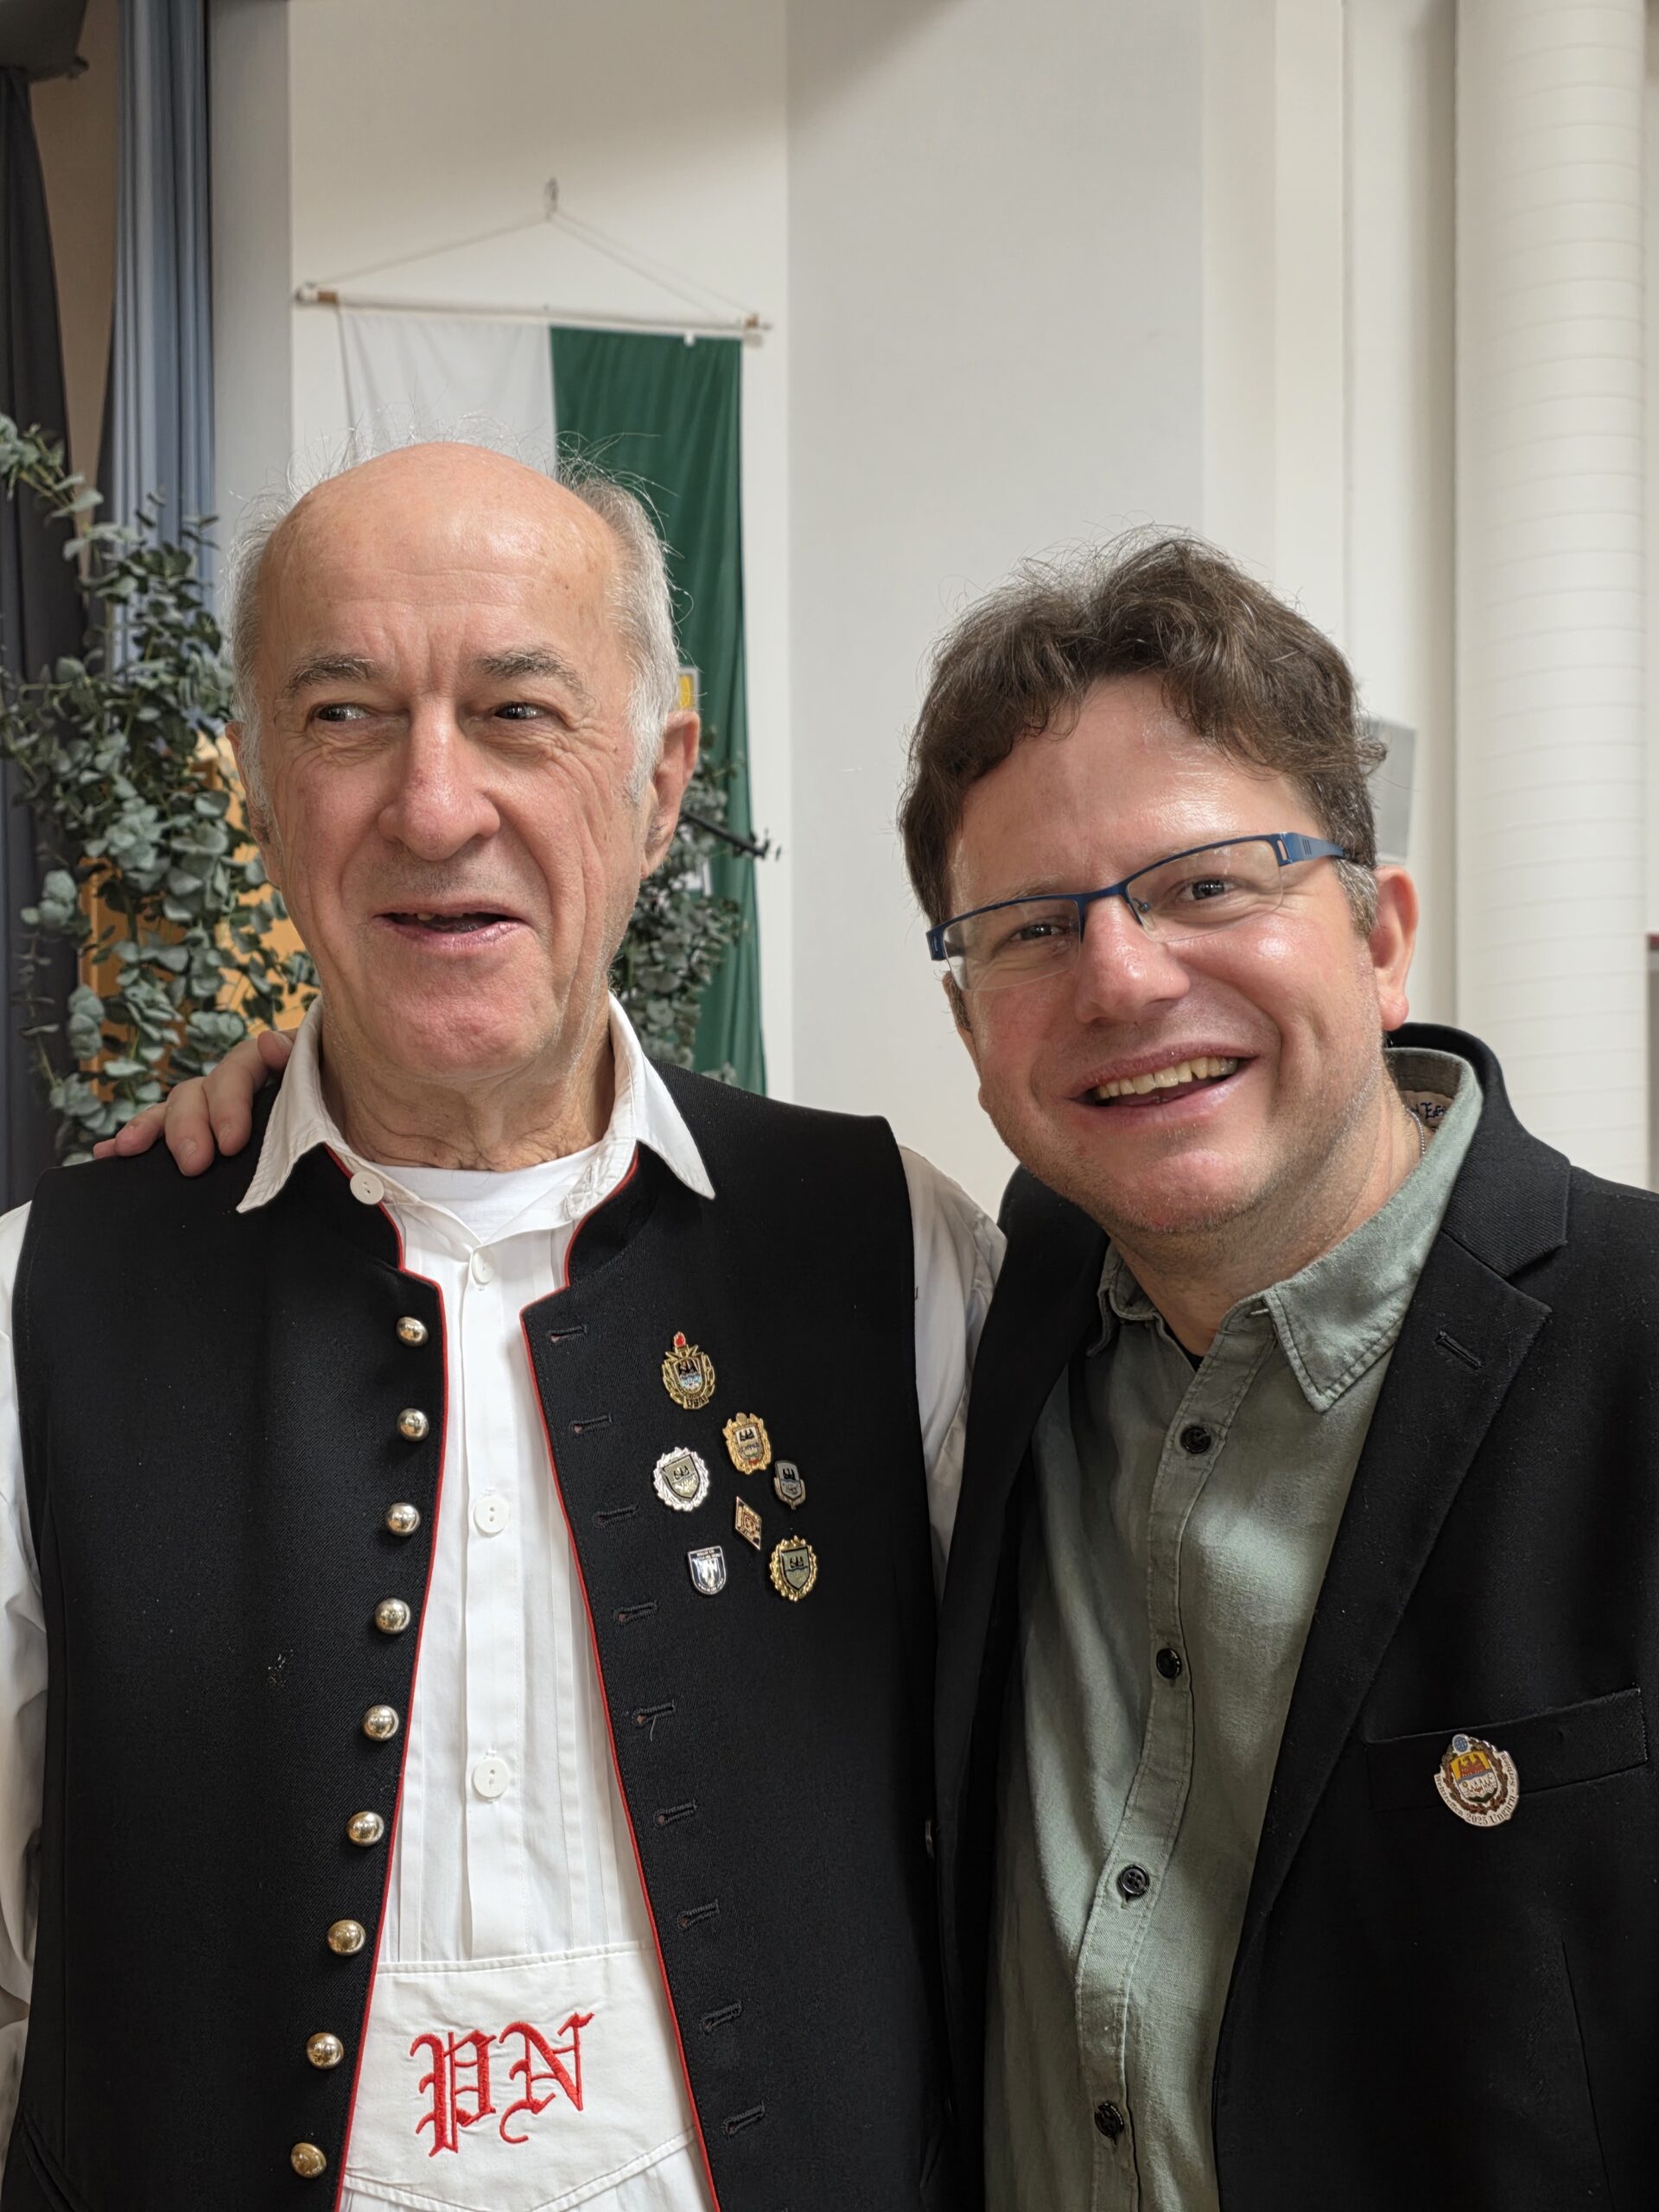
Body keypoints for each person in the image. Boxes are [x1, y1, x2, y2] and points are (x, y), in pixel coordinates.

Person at [0, 442, 996, 2212]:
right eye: (344, 717)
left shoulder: (893, 1250)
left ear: (660, 781)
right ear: (256, 791)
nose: (435, 803)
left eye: (519, 712)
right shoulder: (43, 1302)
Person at [898, 536, 1659, 2211]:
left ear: (1382, 938)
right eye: (1032, 927)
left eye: (1208, 885)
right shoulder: (993, 1314)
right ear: (973, 1036)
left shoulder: (1634, 1350)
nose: (1122, 975)